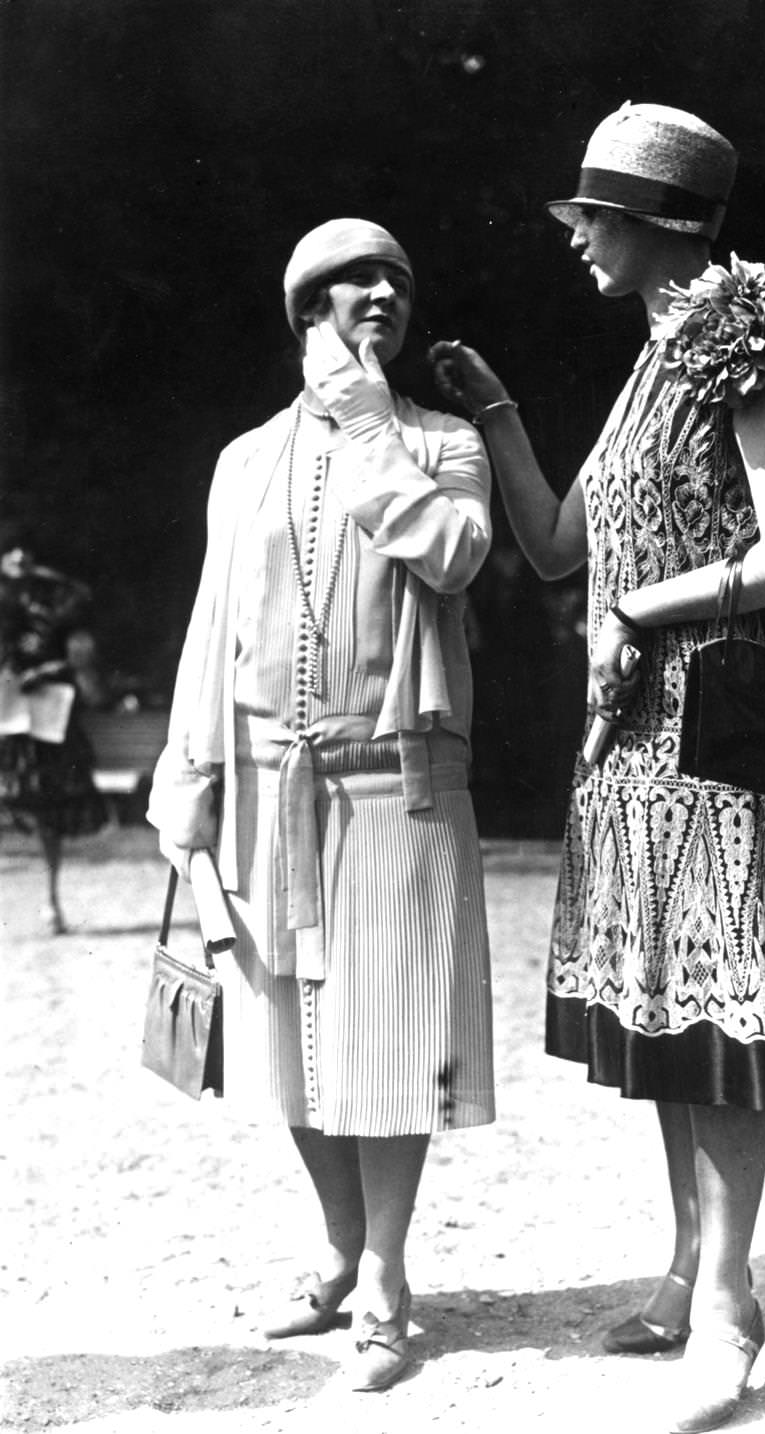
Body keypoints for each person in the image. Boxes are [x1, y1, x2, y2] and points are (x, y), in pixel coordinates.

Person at [430, 103, 765, 1432]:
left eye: (593, 220)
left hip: (713, 729)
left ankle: (731, 1302)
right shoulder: (647, 365)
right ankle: (683, 1265)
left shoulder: (733, 356)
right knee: (666, 1013)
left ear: (653, 229)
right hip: (632, 747)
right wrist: (493, 412)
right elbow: (554, 544)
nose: (578, 242)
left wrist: (648, 609)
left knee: (725, 1015)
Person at [147, 219, 495, 1392]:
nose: (381, 291)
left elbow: (452, 555)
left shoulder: (442, 444)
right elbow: (211, 627)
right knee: (290, 1045)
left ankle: (390, 1276)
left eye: (397, 274)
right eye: (353, 280)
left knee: (388, 1036)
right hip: (260, 778)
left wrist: (363, 422)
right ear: (305, 309)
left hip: (397, 777)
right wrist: (187, 780)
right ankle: (339, 1251)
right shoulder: (244, 459)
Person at [0, 530, 107, 932]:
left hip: (41, 716)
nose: (19, 557)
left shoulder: (60, 601)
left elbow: (81, 656)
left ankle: (50, 899)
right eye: (10, 551)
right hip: (4, 708)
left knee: (46, 809)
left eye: (27, 550)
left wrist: (44, 670)